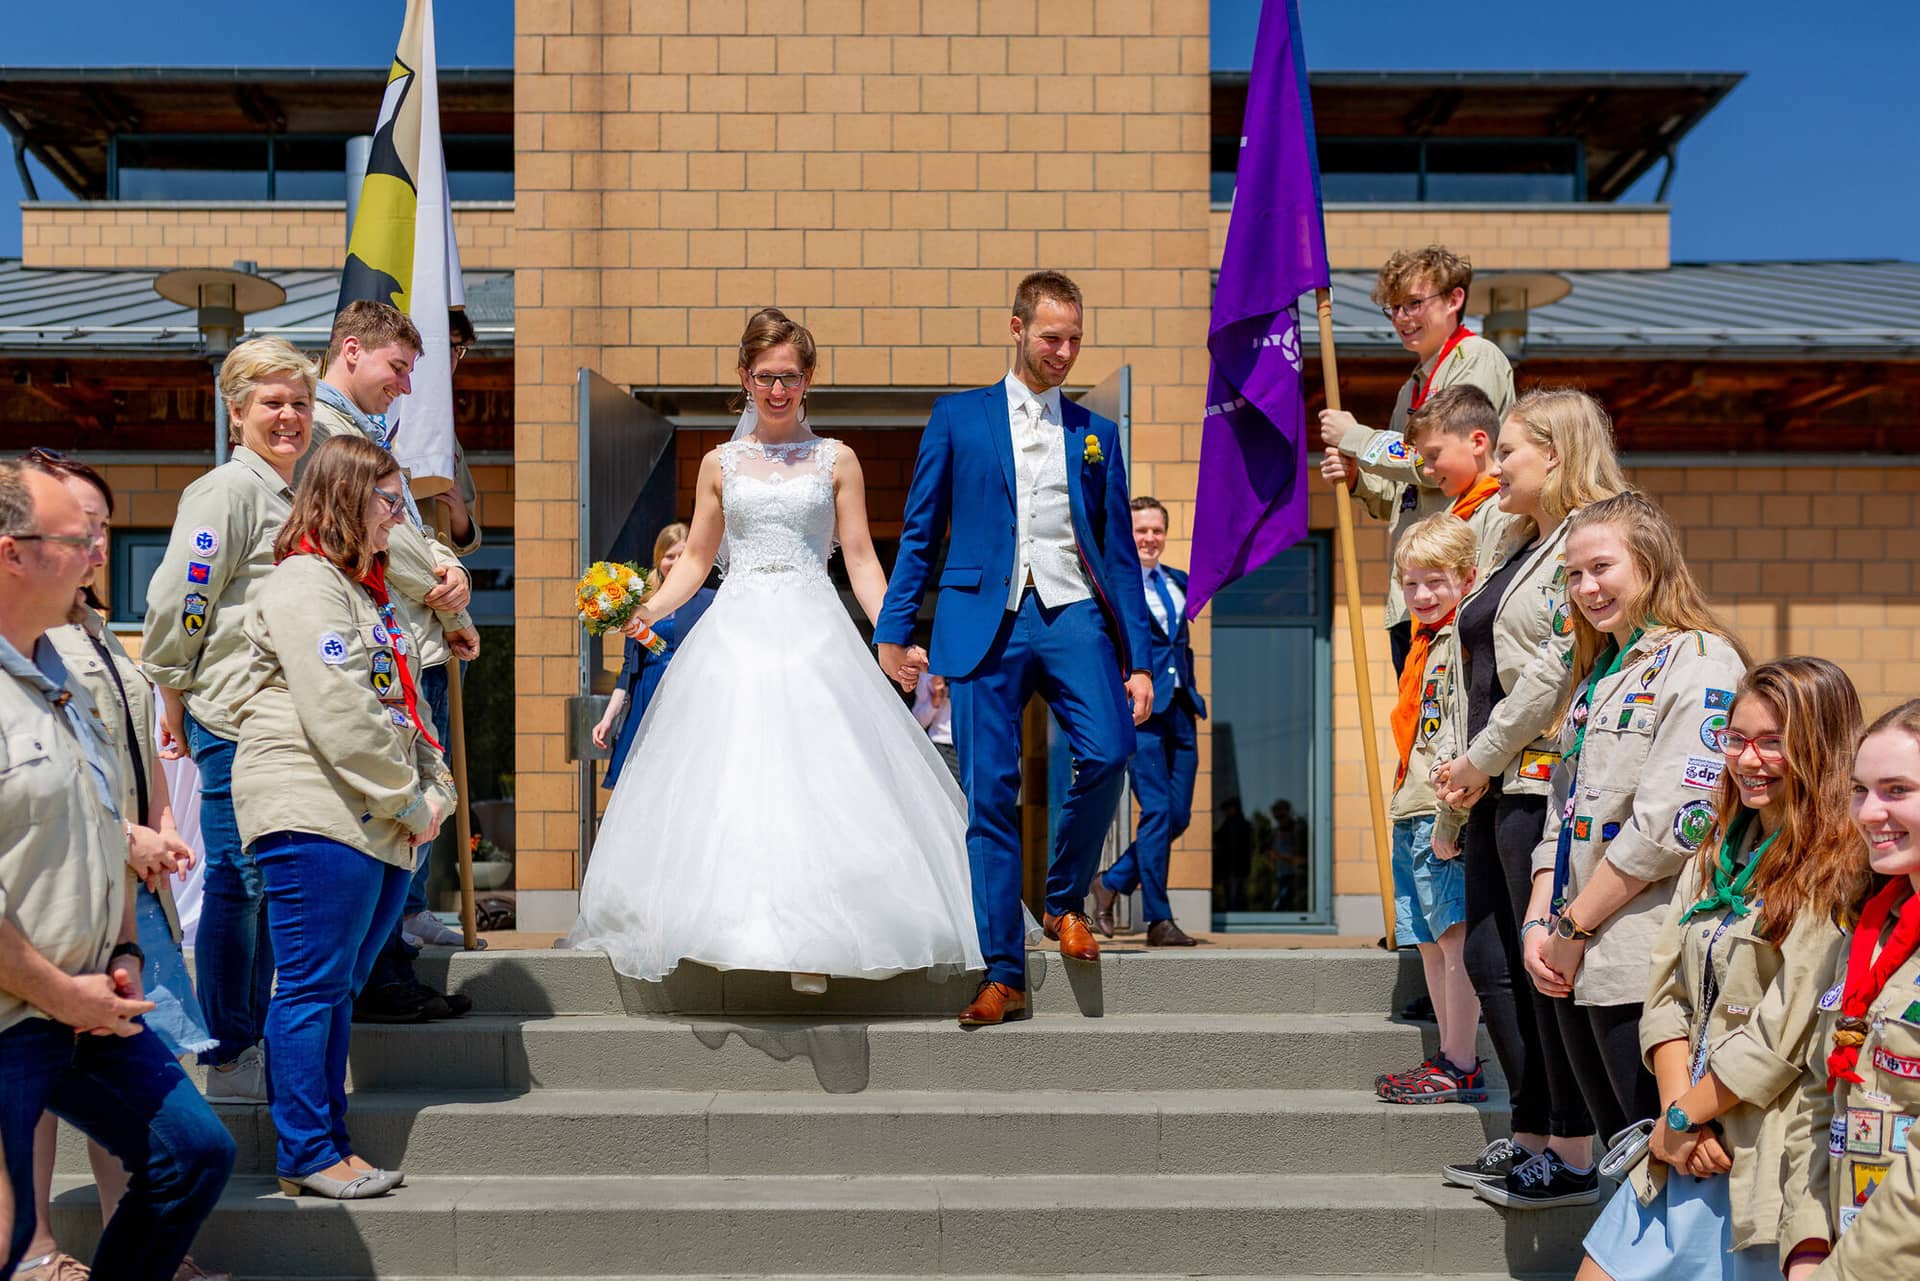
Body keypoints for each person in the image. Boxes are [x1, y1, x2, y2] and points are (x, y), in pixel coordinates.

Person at [567, 308, 985, 993]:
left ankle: (817, 937)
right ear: (744, 377)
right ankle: (730, 928)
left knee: (822, 775)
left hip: (815, 629)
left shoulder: (837, 460)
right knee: (735, 777)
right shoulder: (718, 464)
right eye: (765, 377)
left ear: (809, 378)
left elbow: (861, 559)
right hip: (734, 633)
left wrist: (893, 633)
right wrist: (648, 607)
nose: (777, 390)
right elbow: (696, 558)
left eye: (789, 376)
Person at [875, 270, 1155, 1026]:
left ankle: (1062, 899)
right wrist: (894, 630)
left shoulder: (1097, 433)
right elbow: (920, 531)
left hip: (1072, 613)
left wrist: (1137, 660)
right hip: (980, 618)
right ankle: (1003, 972)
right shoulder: (957, 418)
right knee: (990, 795)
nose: (1063, 352)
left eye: (1074, 340)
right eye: (1051, 337)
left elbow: (1119, 554)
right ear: (1017, 328)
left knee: (1109, 751)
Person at [0, 461, 236, 1280]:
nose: (98, 554)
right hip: (18, 1007)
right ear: (13, 553)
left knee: (194, 1153)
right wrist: (64, 994)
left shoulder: (64, 676)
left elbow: (101, 821)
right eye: (78, 539)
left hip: (93, 993)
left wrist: (126, 951)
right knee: (7, 1234)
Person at [1487, 492, 1750, 1210]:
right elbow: (1563, 808)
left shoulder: (1701, 662)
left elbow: (1672, 823)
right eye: (1573, 574)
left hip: (1643, 957)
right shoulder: (1601, 671)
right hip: (1575, 955)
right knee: (1627, 1161)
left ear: (1651, 562)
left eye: (1602, 567)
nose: (1586, 587)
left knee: (1669, 1171)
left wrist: (1572, 929)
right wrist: (1539, 921)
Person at [1579, 658, 1856, 1281]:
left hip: (1758, 1148)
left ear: (1820, 748)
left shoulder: (1835, 873)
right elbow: (1666, 991)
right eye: (1736, 739)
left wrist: (1686, 1118)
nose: (1748, 760)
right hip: (1685, 1137)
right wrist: (1675, 1117)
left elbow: (1780, 1036)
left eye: (1772, 743)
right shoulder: (1716, 852)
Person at [233, 435, 455, 1199]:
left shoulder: (367, 591)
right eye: (389, 501)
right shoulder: (305, 581)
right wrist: (409, 800)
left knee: (335, 990)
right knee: (310, 985)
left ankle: (330, 1144)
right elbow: (343, 710)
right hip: (317, 810)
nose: (399, 517)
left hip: (376, 818)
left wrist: (437, 792)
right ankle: (306, 1151)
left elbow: (404, 705)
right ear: (346, 499)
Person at [1428, 387, 1630, 1198]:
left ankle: (1571, 1151)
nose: (1498, 464)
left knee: (1535, 963)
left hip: (1536, 779)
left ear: (1555, 453)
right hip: (1491, 780)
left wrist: (1477, 760)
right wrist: (1457, 782)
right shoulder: (1514, 535)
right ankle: (1530, 1134)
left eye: (1508, 450)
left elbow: (1551, 670)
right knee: (1488, 957)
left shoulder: (1584, 543)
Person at [140, 336, 316, 1102]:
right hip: (233, 714)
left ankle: (248, 1037)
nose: (289, 415)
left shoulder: (292, 493)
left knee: (268, 881)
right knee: (238, 881)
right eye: (273, 401)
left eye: (300, 402)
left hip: (284, 720)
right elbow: (182, 598)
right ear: (236, 410)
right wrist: (173, 690)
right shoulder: (226, 492)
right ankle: (226, 1048)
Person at [305, 300, 479, 1022]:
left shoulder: (367, 429)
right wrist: (454, 604)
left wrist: (452, 565)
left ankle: (389, 967)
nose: (406, 385)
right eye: (398, 367)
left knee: (416, 809)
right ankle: (381, 979)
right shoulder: (324, 430)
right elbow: (390, 541)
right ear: (351, 350)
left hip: (407, 639)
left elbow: (410, 528)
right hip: (383, 641)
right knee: (396, 811)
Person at [1773, 699, 1920, 1279]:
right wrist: (1807, 1244)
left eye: (1897, 790)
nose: (1870, 812)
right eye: (1860, 790)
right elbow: (1819, 1092)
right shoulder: (1869, 930)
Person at [1317, 245, 1516, 674]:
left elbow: (1442, 463)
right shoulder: (1410, 389)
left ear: (1454, 299)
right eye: (1394, 308)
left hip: (1458, 582)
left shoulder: (1475, 358)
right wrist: (1357, 480)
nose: (1402, 318)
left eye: (1413, 303)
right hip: (1413, 593)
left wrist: (1356, 438)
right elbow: (1399, 496)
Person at [1373, 513, 1483, 1105]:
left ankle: (1461, 1060)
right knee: (1427, 941)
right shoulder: (1424, 642)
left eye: (1436, 582)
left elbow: (1461, 738)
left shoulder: (1461, 642)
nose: (1421, 595)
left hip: (1442, 811)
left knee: (1452, 937)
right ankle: (1447, 1054)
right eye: (1411, 583)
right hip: (1411, 804)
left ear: (1468, 577)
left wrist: (1451, 818)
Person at [1092, 496, 1208, 947]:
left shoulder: (1179, 581)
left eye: (1156, 530)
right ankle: (1159, 919)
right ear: (1129, 533)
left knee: (1177, 816)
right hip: (1141, 712)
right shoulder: (1115, 585)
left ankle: (1112, 881)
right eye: (1141, 530)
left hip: (1181, 709)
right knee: (1157, 811)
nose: (1149, 538)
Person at [591, 522, 715, 790]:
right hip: (648, 695)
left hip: (692, 696)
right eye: (670, 556)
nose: (676, 562)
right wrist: (608, 719)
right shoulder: (642, 603)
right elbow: (628, 669)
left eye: (683, 555)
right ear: (659, 559)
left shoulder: (711, 601)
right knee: (645, 781)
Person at [912, 670, 962, 783]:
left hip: (976, 748)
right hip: (943, 746)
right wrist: (936, 697)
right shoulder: (928, 673)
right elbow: (918, 722)